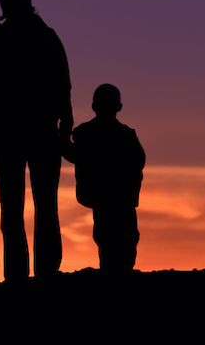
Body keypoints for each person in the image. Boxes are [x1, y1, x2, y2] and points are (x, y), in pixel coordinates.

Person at [0, 0, 73, 281]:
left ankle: (23, 274)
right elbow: (61, 85)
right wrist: (66, 126)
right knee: (40, 205)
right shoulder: (46, 38)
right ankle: (42, 273)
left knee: (17, 207)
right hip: (36, 131)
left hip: (14, 132)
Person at [62, 84, 145, 273]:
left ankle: (114, 272)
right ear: (119, 107)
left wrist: (62, 140)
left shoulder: (86, 134)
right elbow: (139, 161)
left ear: (93, 106)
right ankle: (120, 272)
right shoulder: (127, 135)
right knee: (124, 238)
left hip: (105, 198)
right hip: (121, 199)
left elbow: (74, 154)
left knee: (108, 238)